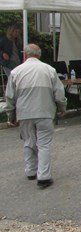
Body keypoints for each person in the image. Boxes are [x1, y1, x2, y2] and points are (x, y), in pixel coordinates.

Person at [4, 43, 66, 188]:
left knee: (28, 141)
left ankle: (30, 171)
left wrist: (11, 115)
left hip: (24, 113)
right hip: (44, 112)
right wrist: (61, 107)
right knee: (43, 144)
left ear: (25, 55)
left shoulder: (15, 72)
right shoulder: (49, 70)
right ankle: (44, 176)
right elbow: (59, 92)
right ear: (39, 55)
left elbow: (10, 96)